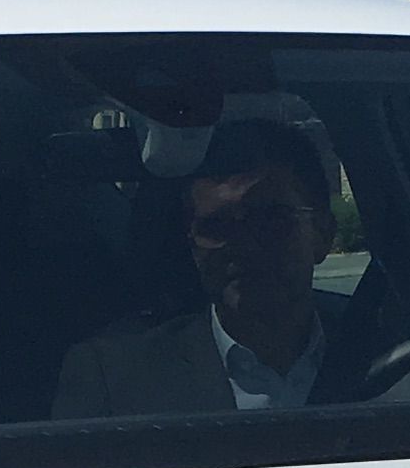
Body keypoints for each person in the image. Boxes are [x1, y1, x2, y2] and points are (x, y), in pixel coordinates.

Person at [52, 110, 368, 419]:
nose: (244, 246)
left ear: (323, 233)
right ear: (191, 246)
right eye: (216, 227)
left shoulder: (390, 356)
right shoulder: (114, 379)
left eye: (269, 220)